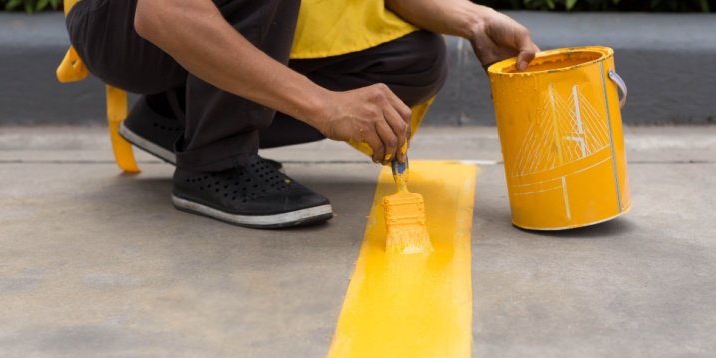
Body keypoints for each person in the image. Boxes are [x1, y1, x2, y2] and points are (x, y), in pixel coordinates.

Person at [66, 0, 539, 229]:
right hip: (121, 21)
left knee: (414, 58)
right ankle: (216, 158)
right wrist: (324, 107)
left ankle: (179, 117)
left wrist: (474, 20)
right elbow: (163, 12)